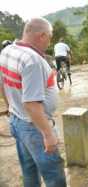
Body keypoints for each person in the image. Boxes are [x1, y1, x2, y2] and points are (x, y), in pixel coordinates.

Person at [0, 18, 66, 187]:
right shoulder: (33, 61)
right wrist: (48, 134)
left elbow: (3, 83)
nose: (50, 41)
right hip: (34, 127)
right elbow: (31, 104)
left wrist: (10, 108)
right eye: (50, 37)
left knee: (29, 170)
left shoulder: (8, 51)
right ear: (42, 35)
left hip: (17, 121)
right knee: (54, 175)